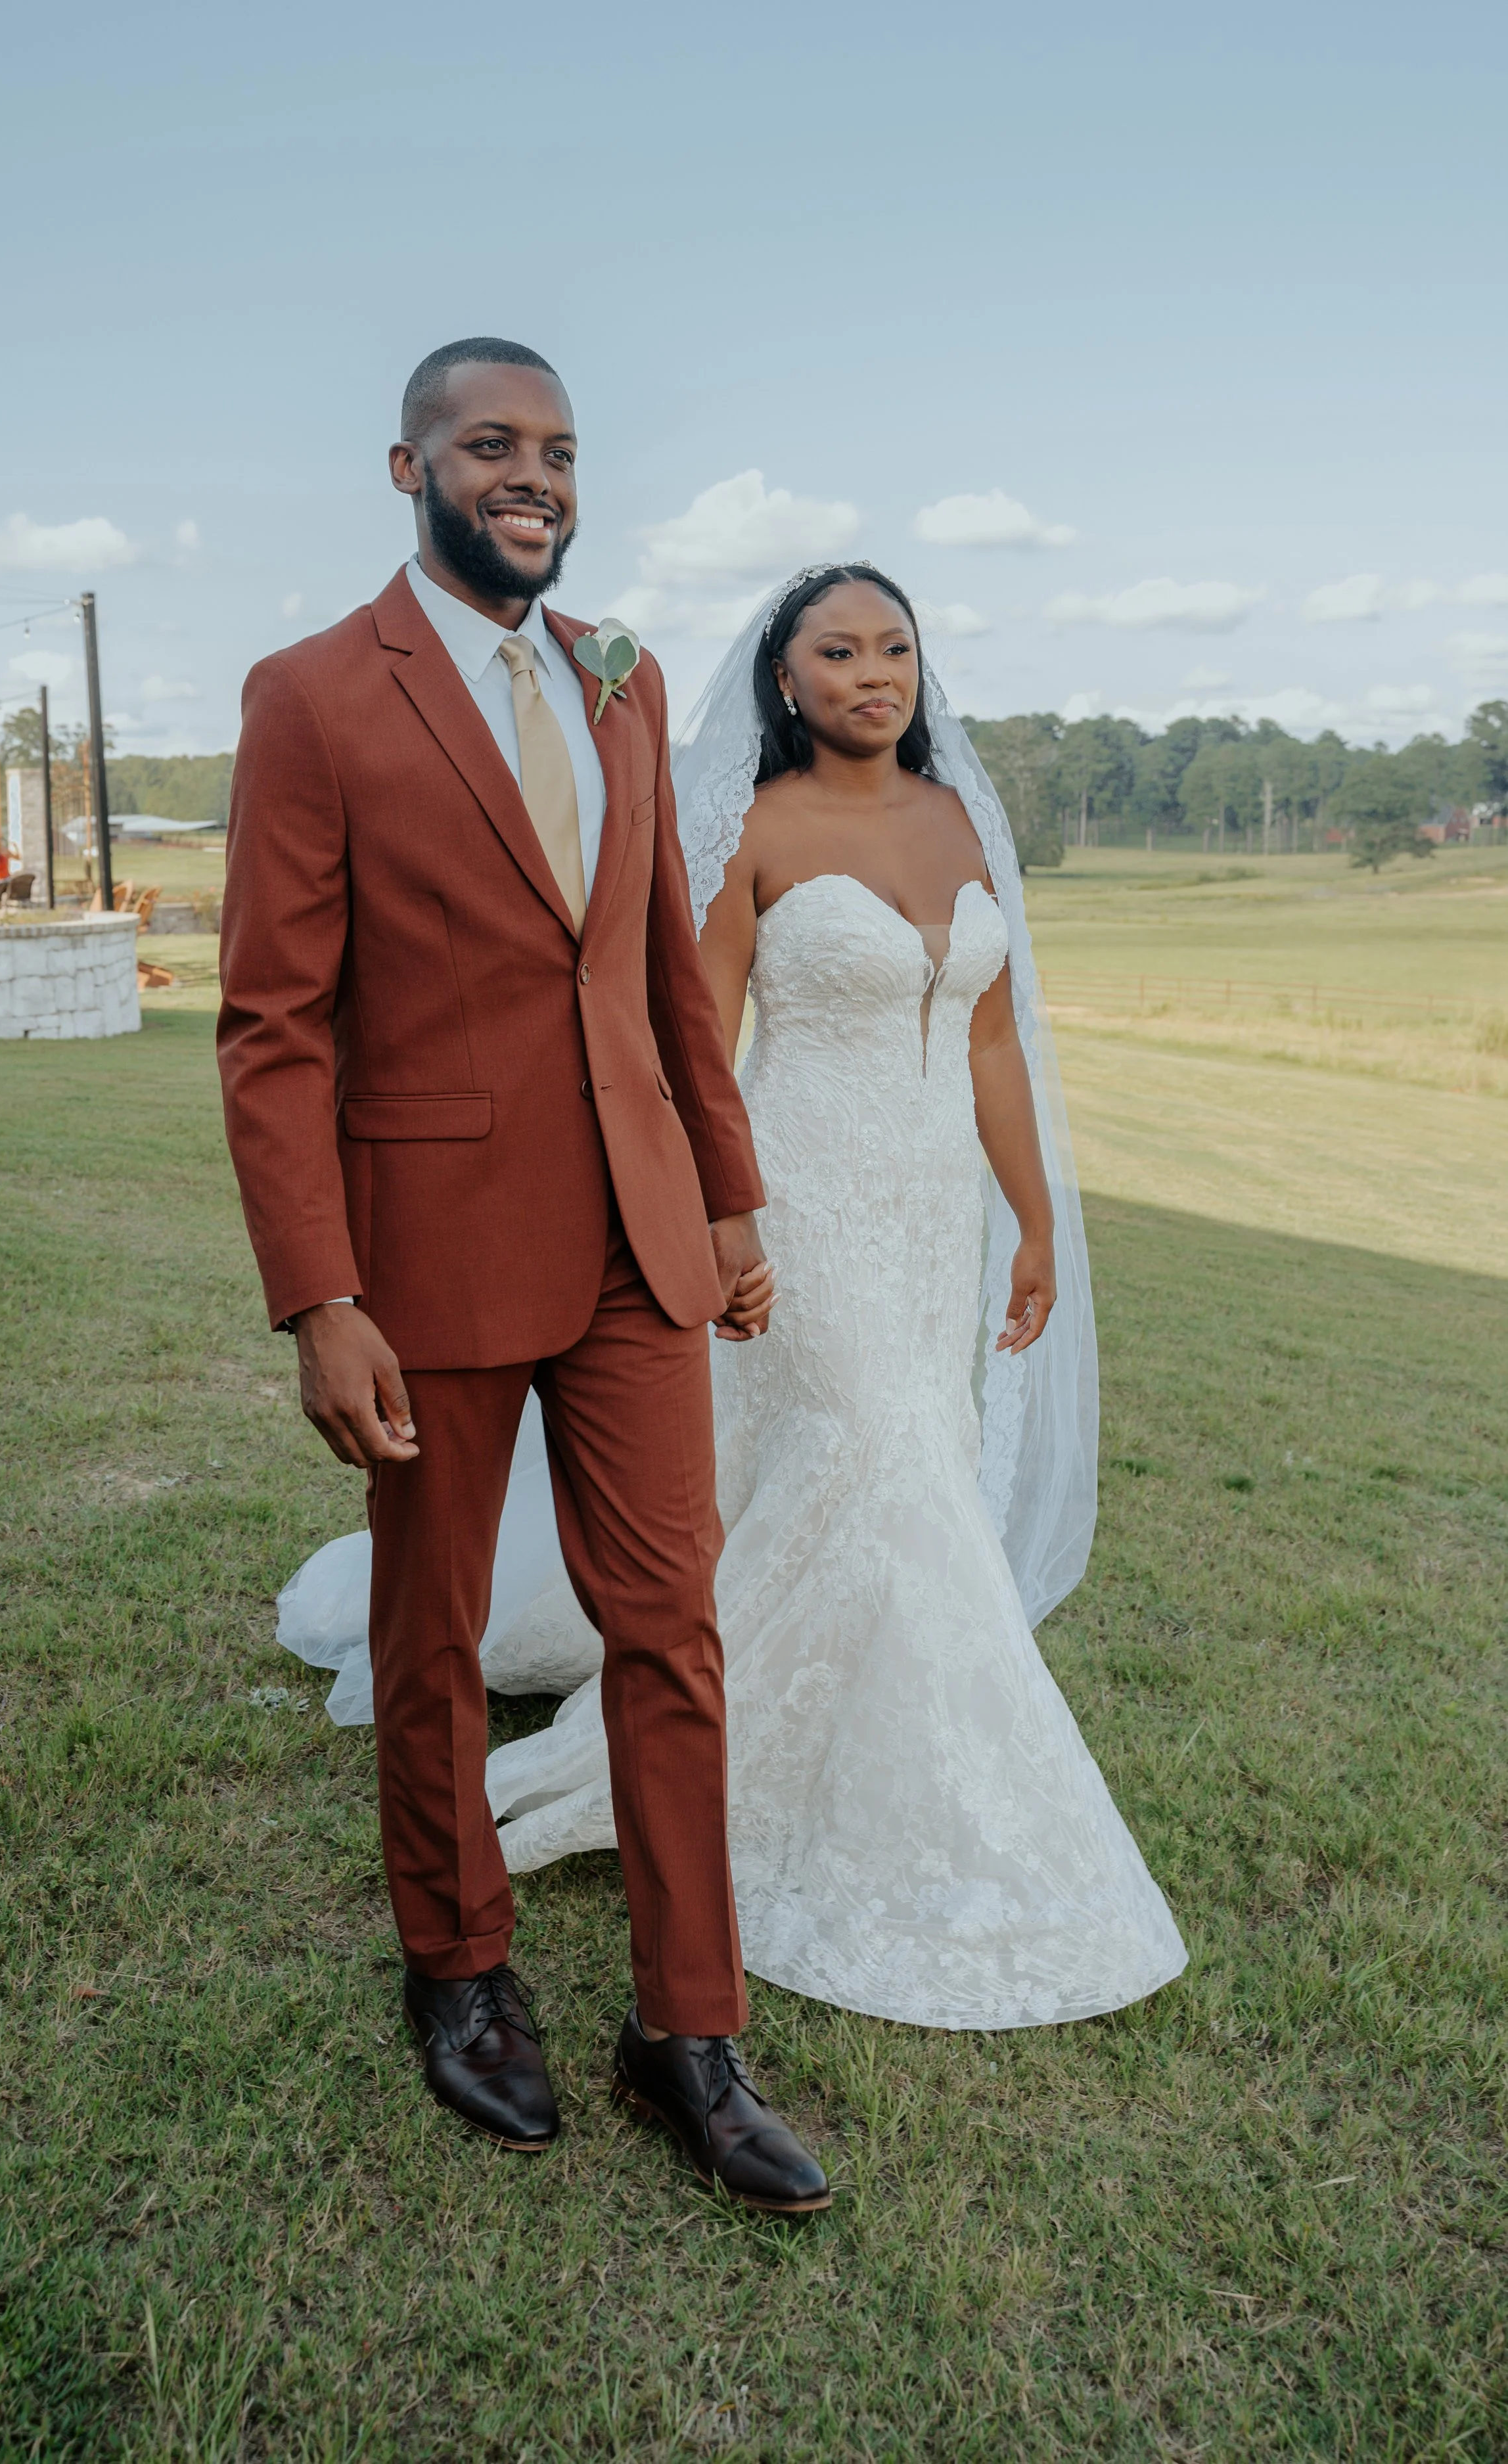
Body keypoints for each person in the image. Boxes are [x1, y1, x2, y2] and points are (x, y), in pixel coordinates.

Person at [218, 338, 830, 2214]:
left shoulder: (617, 680)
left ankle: (686, 2028)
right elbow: (271, 1024)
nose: (533, 476)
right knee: (437, 1634)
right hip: (430, 1259)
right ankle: (460, 1966)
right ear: (404, 463)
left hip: (642, 1244)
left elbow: (658, 969)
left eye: (558, 449)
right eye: (492, 444)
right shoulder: (315, 693)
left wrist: (726, 1197)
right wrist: (322, 1292)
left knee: (674, 1625)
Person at [467, 564, 1188, 2029]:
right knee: (884, 1465)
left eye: (896, 647)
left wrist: (1034, 1222)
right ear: (782, 680)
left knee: (874, 1471)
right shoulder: (752, 824)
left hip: (931, 1212)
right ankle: (916, 1803)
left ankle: (811, 1736)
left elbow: (990, 1048)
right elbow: (694, 1041)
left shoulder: (961, 820)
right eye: (838, 650)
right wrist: (720, 1221)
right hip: (797, 1193)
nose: (875, 672)